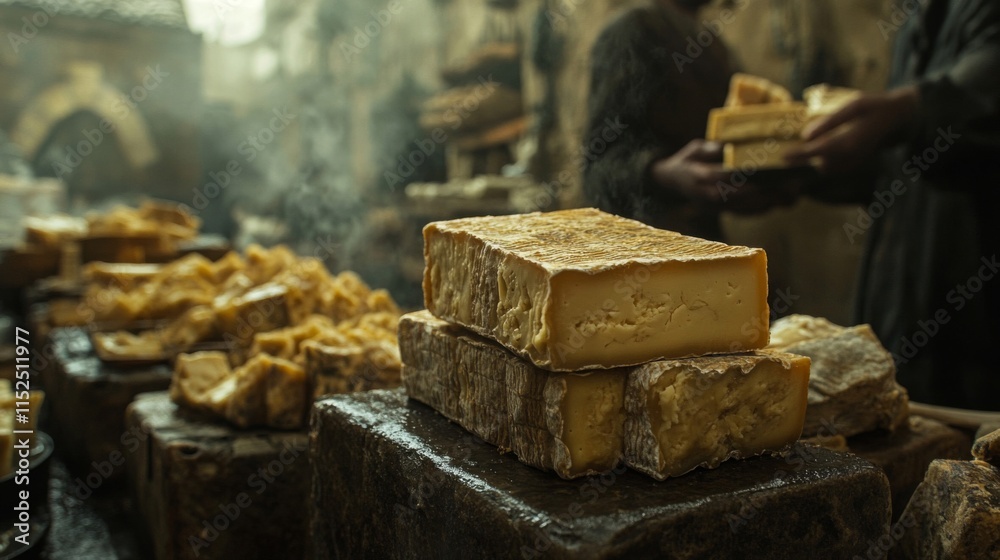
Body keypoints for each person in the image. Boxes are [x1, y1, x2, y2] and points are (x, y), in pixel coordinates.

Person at [786, 0, 1000, 410]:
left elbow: (977, 104)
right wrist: (797, 175)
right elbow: (906, 166)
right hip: (908, 314)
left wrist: (906, 111)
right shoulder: (918, 21)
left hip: (975, 336)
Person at [582, 0, 797, 242]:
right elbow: (596, 169)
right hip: (643, 251)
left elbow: (723, 149)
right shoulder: (633, 28)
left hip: (702, 248)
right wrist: (666, 175)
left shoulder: (712, 44)